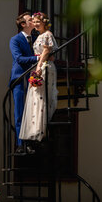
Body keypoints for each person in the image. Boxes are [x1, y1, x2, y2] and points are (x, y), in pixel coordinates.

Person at [19, 12, 58, 142]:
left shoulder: (48, 34)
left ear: (44, 23)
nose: (35, 24)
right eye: (34, 22)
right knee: (36, 95)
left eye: (38, 22)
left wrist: (39, 68)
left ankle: (41, 128)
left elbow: (46, 51)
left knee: (42, 96)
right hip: (40, 66)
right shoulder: (39, 36)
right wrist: (37, 69)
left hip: (45, 67)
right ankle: (35, 128)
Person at [9, 12, 39, 154]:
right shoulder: (15, 40)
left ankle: (29, 143)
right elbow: (19, 59)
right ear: (23, 24)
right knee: (20, 112)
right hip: (19, 79)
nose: (33, 21)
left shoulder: (35, 38)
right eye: (30, 20)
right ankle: (20, 144)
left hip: (32, 78)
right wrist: (37, 58)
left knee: (32, 113)